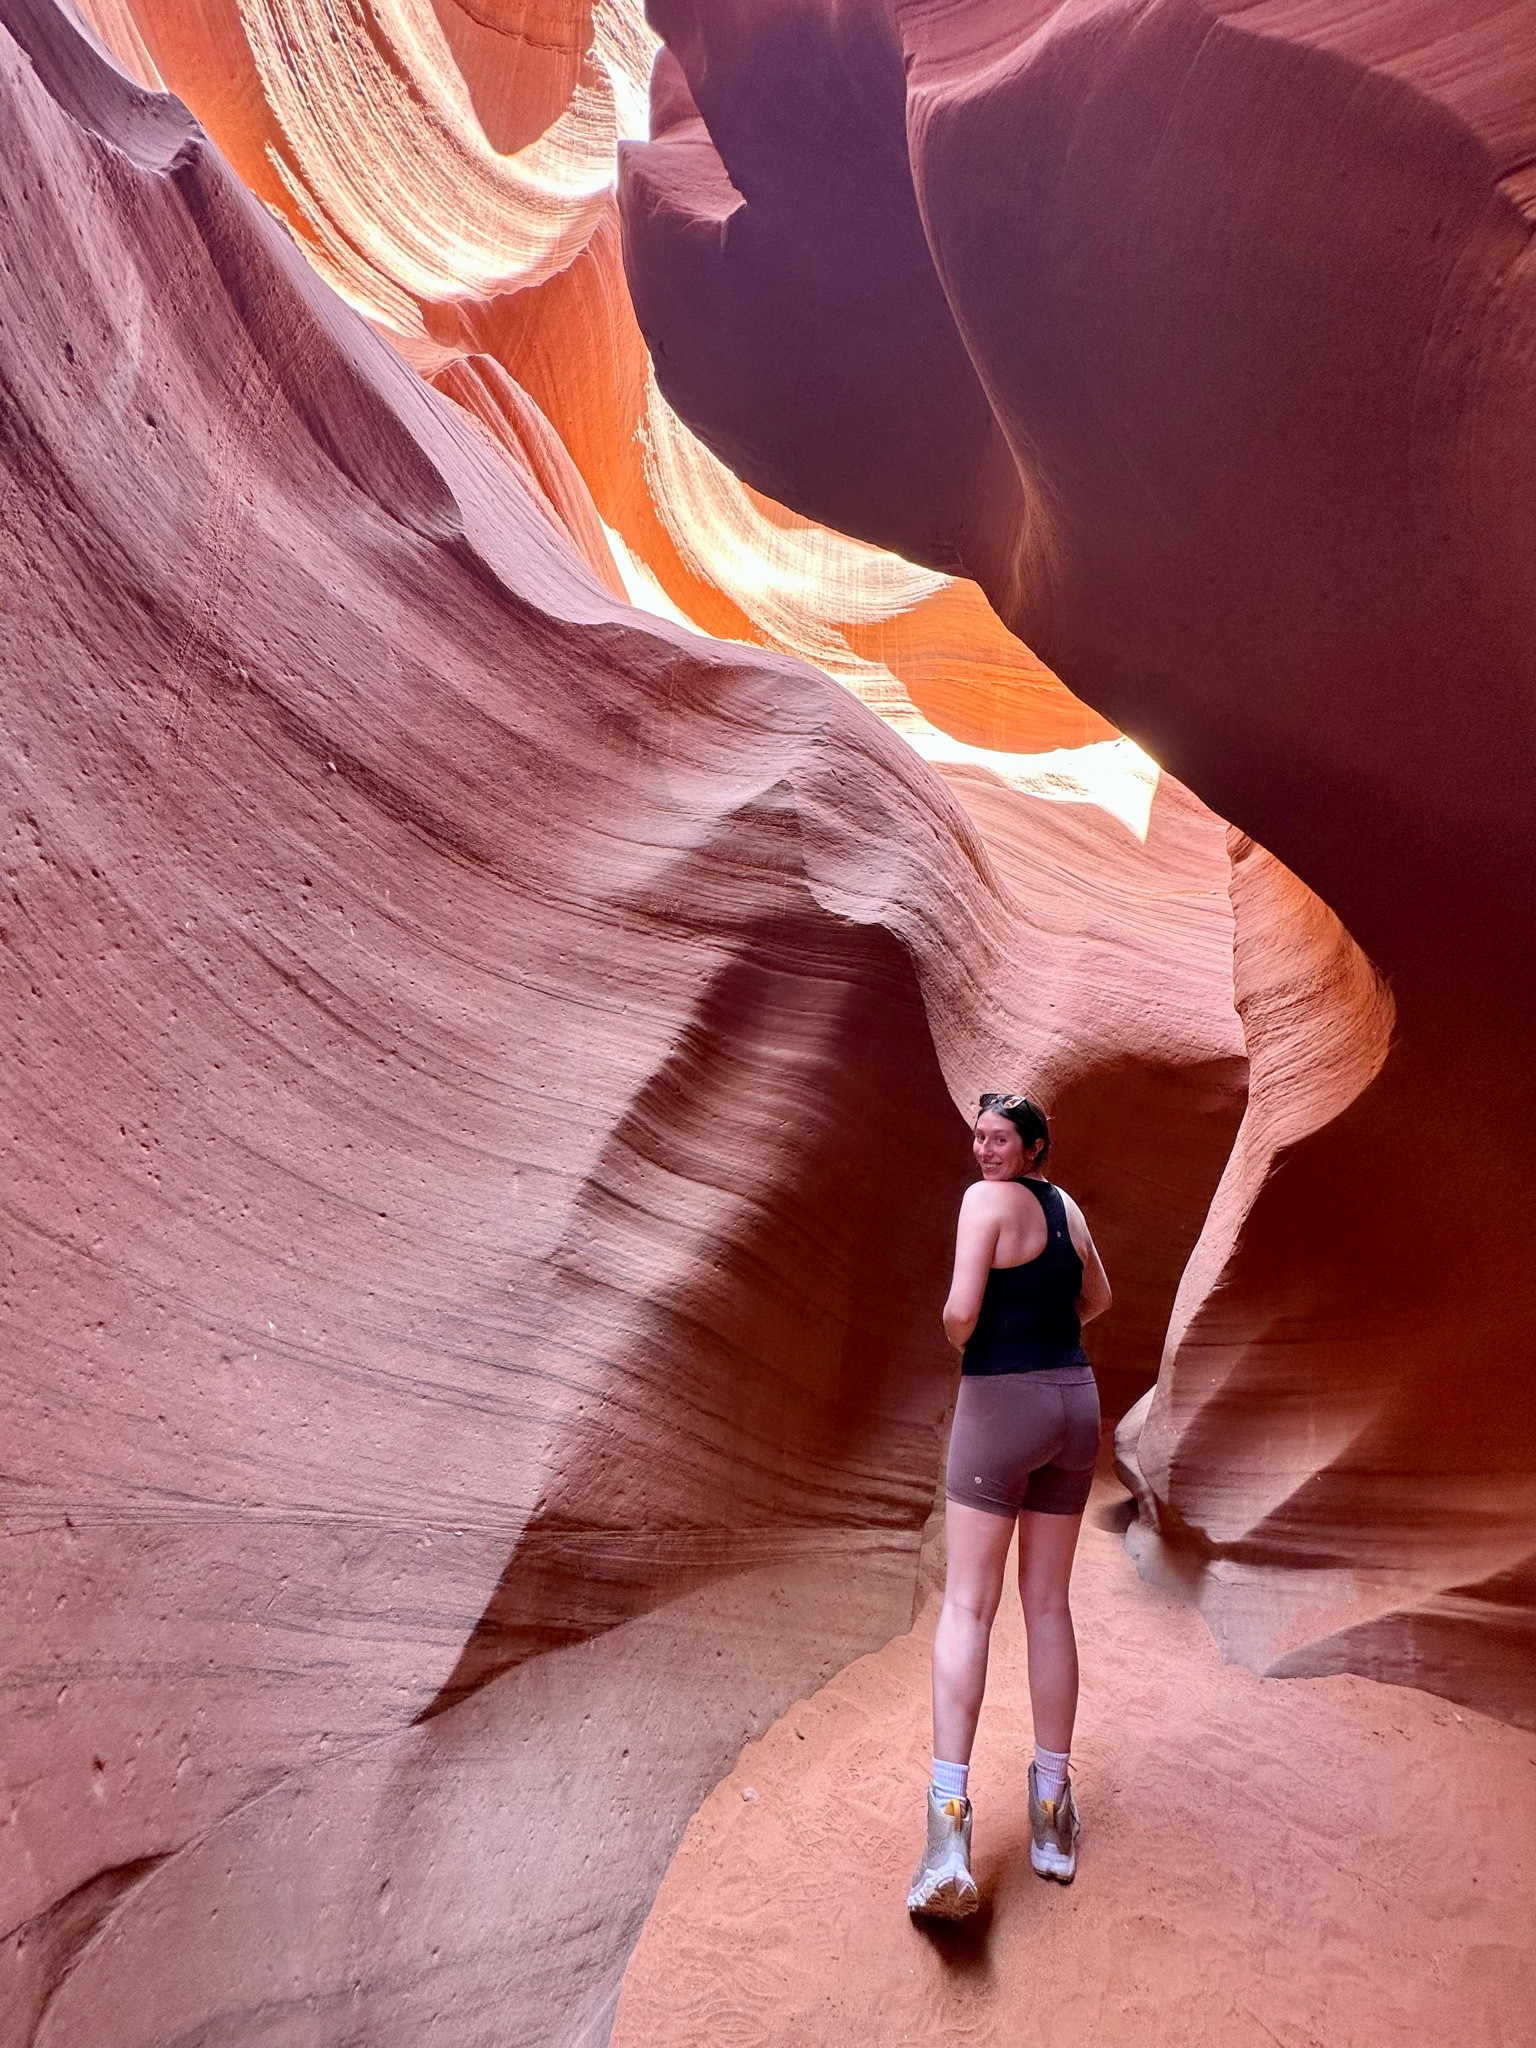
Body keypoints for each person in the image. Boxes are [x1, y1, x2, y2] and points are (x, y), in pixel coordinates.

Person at [907, 1091, 1112, 1918]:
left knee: (967, 1605)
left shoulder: (982, 1204)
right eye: (979, 1137)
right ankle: (1051, 1813)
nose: (983, 1150)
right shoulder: (1067, 1207)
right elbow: (1098, 1298)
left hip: (1002, 1402)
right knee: (1050, 1607)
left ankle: (948, 1831)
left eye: (999, 1139)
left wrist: (964, 1329)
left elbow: (960, 1314)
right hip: (1075, 1402)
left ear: (1032, 1147)